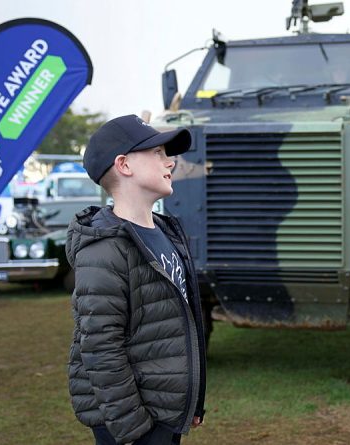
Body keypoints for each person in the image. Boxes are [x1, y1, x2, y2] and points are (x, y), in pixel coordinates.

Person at [66, 115, 206, 445]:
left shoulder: (167, 232)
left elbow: (182, 323)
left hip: (165, 409)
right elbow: (100, 347)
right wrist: (133, 428)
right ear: (124, 165)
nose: (169, 161)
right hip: (131, 421)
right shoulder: (103, 250)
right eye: (157, 152)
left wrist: (190, 402)